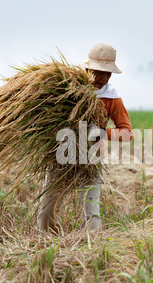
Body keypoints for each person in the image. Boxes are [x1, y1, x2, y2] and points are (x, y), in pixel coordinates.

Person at [37, 43, 133, 232]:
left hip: (91, 157)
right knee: (46, 212)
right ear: (87, 69)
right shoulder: (66, 90)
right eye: (98, 72)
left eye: (108, 73)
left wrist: (103, 133)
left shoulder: (112, 98)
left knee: (92, 215)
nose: (103, 78)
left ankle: (92, 251)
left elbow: (127, 133)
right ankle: (49, 248)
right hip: (60, 155)